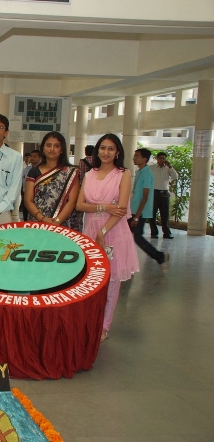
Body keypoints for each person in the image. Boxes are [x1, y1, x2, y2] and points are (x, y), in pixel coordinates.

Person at [76, 133, 139, 342]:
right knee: (91, 279)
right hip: (90, 231)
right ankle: (89, 320)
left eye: (111, 149)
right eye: (103, 148)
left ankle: (104, 325)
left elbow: (120, 209)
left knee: (111, 282)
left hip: (113, 232)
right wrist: (104, 207)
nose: (106, 152)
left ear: (117, 152)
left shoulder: (123, 174)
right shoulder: (90, 174)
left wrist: (102, 232)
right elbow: (80, 205)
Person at [24, 132, 82, 231]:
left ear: (62, 150)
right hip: (38, 224)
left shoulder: (71, 172)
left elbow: (72, 201)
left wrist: (57, 222)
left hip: (63, 225)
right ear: (43, 148)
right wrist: (42, 219)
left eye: (56, 146)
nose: (52, 149)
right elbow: (28, 200)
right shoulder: (34, 172)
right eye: (48, 145)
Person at [130, 148, 170, 271]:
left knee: (137, 237)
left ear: (145, 159)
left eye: (137, 156)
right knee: (129, 236)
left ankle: (160, 257)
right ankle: (128, 262)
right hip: (133, 210)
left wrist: (137, 216)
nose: (134, 158)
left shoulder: (147, 173)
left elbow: (145, 196)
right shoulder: (140, 171)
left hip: (139, 212)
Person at [149, 151, 178, 239]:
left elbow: (175, 177)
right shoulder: (151, 168)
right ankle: (154, 232)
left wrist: (170, 167)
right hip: (154, 192)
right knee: (152, 213)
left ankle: (167, 233)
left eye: (164, 158)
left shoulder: (168, 169)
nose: (162, 160)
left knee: (165, 214)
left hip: (164, 193)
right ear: (157, 159)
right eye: (160, 158)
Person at [20, 149, 41, 221]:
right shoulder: (26, 169)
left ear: (40, 158)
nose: (32, 158)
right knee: (26, 214)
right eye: (31, 156)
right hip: (26, 194)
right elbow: (22, 181)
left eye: (35, 156)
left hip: (37, 196)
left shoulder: (41, 170)